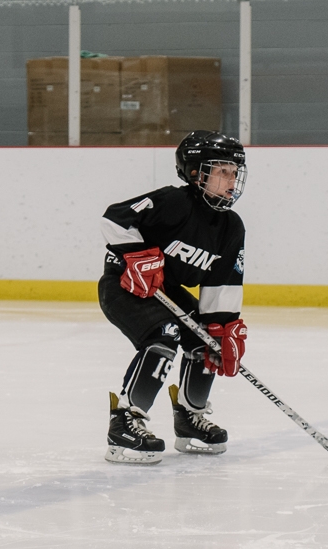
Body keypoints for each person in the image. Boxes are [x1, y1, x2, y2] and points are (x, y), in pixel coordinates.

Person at [99, 131, 249, 465]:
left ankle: (189, 418)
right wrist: (136, 255)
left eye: (235, 172)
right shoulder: (173, 202)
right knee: (163, 335)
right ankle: (125, 421)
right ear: (196, 173)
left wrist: (223, 328)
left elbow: (221, 286)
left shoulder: (231, 227)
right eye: (222, 171)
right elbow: (115, 218)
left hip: (168, 293)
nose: (231, 180)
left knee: (207, 341)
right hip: (125, 287)